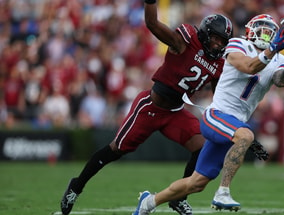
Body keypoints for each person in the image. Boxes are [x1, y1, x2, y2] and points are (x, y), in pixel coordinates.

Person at [60, 1, 233, 215]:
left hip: (175, 113)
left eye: (222, 41)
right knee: (116, 149)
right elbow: (151, 23)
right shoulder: (185, 41)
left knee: (202, 148)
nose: (217, 44)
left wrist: (235, 128)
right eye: (215, 38)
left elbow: (221, 99)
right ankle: (76, 186)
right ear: (206, 33)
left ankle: (179, 198)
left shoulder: (218, 64)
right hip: (151, 107)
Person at [132, 14, 284, 214]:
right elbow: (247, 66)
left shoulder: (278, 59)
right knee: (246, 136)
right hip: (217, 115)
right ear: (251, 30)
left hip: (234, 124)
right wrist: (271, 49)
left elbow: (282, 80)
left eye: (270, 33)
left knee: (196, 183)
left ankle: (149, 201)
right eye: (262, 31)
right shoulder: (238, 44)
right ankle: (223, 192)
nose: (266, 36)